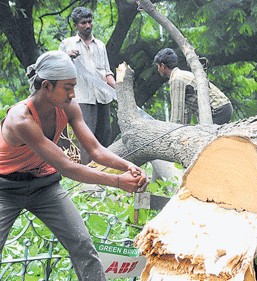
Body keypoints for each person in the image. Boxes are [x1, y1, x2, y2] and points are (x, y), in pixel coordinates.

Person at [0, 50, 148, 281]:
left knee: (83, 245)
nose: (72, 93)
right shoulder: (21, 119)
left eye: (74, 86)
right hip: (5, 190)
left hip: (44, 187)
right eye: (67, 87)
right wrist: (119, 182)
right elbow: (67, 167)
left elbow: (96, 151)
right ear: (47, 86)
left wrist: (127, 166)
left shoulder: (68, 106)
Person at [59, 7, 116, 165]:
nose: (87, 25)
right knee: (86, 138)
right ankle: (87, 176)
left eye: (90, 22)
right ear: (76, 25)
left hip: (102, 97)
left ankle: (105, 173)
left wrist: (120, 91)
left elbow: (106, 73)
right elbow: (58, 69)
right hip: (83, 98)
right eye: (83, 23)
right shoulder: (67, 44)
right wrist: (67, 57)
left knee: (104, 137)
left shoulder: (100, 45)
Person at [154, 48, 233, 125]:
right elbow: (185, 110)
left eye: (158, 66)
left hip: (218, 110)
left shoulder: (176, 79)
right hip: (224, 107)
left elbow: (177, 114)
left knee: (204, 136)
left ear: (163, 66)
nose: (158, 69)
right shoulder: (182, 75)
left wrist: (172, 133)